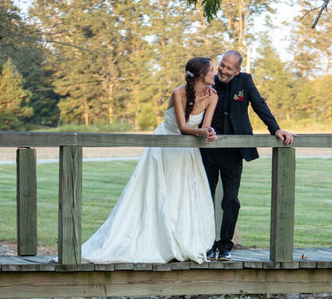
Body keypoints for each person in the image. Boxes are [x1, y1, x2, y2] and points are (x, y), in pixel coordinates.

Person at [82, 57, 218, 265]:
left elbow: (205, 125)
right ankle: (160, 242)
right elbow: (182, 128)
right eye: (211, 70)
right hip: (166, 146)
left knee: (183, 195)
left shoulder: (212, 97)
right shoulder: (178, 93)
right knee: (161, 194)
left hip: (187, 152)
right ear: (200, 74)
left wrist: (208, 132)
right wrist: (199, 131)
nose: (214, 73)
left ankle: (180, 241)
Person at [200, 49, 294, 261]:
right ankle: (206, 244)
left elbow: (259, 105)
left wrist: (275, 129)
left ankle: (225, 246)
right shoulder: (208, 81)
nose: (223, 70)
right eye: (222, 65)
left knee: (231, 200)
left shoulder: (245, 82)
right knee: (205, 198)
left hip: (235, 151)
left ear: (238, 70)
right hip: (208, 150)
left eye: (229, 68)